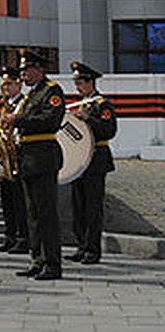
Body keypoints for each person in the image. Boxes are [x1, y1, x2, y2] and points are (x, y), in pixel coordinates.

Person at [1, 49, 65, 280]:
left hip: (44, 156)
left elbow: (51, 120)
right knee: (33, 214)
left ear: (39, 69)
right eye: (22, 70)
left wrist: (17, 120)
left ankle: (52, 263)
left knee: (46, 213)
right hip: (28, 157)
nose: (23, 74)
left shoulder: (51, 91)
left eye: (26, 70)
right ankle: (37, 259)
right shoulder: (30, 95)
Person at [68, 60, 118, 265]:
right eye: (76, 83)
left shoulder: (101, 105)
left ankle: (92, 249)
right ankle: (81, 244)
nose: (78, 87)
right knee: (78, 206)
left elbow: (109, 131)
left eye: (81, 83)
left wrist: (87, 118)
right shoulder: (80, 104)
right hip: (80, 160)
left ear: (90, 82)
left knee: (92, 207)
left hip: (97, 158)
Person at [0, 67, 28, 254]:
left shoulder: (24, 103)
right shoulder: (6, 105)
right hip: (7, 155)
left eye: (9, 83)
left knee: (20, 200)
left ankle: (23, 237)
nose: (5, 87)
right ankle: (10, 235)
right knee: (7, 199)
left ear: (18, 84)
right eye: (3, 84)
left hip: (20, 154)